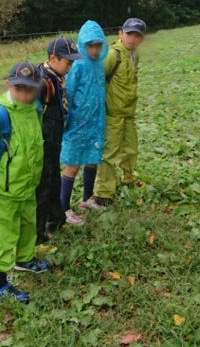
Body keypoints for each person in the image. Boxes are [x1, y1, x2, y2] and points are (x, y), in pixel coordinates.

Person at [0, 61, 48, 302]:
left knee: (27, 226)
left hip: (27, 187)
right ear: (8, 85)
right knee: (2, 236)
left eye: (29, 90)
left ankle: (24, 259)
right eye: (19, 89)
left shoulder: (34, 110)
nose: (24, 95)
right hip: (2, 193)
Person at [35, 37, 84, 252]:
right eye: (68, 62)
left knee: (55, 180)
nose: (71, 66)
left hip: (55, 139)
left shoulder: (58, 76)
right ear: (53, 58)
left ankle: (57, 221)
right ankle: (38, 235)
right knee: (42, 187)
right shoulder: (42, 81)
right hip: (42, 141)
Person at [94, 18, 146, 206]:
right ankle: (103, 192)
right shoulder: (112, 55)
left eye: (137, 35)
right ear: (120, 33)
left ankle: (129, 177)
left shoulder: (134, 54)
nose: (132, 38)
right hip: (112, 114)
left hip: (128, 112)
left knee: (131, 149)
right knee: (109, 154)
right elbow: (97, 80)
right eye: (129, 33)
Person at [60, 21, 108, 223]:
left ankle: (87, 198)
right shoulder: (77, 65)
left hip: (95, 122)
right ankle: (64, 209)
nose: (94, 49)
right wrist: (68, 119)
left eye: (98, 45)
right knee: (73, 165)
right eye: (90, 45)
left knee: (91, 159)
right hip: (78, 123)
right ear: (82, 44)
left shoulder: (99, 64)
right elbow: (69, 93)